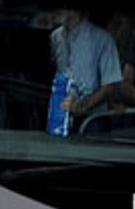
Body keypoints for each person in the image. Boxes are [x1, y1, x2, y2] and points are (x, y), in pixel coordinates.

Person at [47, 8, 124, 136]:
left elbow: (110, 85)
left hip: (91, 120)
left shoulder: (102, 39)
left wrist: (82, 106)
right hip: (60, 117)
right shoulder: (55, 37)